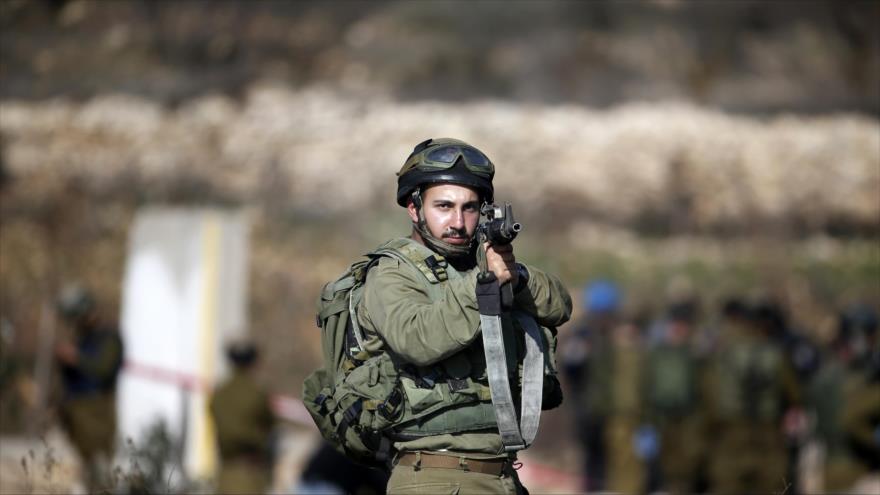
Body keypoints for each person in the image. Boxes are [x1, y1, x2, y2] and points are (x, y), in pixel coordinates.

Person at [354, 138, 572, 494]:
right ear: (414, 208)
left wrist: (513, 277)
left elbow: (560, 304)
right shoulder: (392, 273)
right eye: (444, 206)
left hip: (500, 474)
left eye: (469, 208)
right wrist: (483, 282)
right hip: (436, 475)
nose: (458, 221)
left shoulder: (482, 264)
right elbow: (416, 338)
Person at [54, 284, 123, 492]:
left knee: (99, 476)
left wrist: (76, 358)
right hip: (76, 414)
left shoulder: (109, 338)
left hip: (96, 416)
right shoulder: (82, 338)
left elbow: (104, 370)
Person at [562, 280, 621, 492]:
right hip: (588, 407)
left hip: (610, 407)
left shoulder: (615, 336)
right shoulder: (582, 335)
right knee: (591, 455)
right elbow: (570, 369)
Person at [210, 339, 275, 495]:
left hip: (225, 474)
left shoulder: (219, 394)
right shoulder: (257, 394)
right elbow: (270, 427)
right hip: (251, 474)